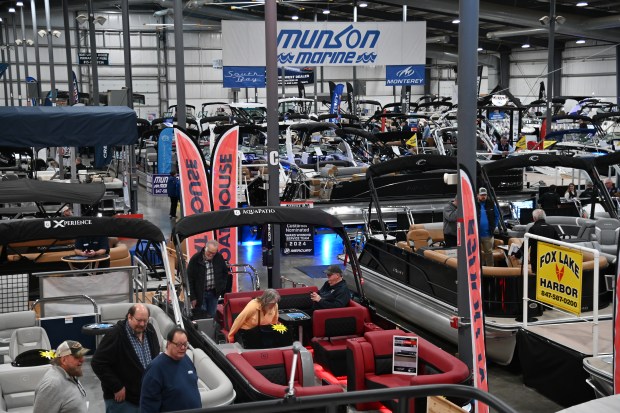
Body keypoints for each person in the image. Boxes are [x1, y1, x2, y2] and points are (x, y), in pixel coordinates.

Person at [91, 303, 160, 413]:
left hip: (145, 398)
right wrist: (116, 386)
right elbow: (97, 363)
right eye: (139, 320)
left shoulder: (150, 331)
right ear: (129, 317)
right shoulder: (115, 335)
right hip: (123, 402)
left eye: (145, 320)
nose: (142, 324)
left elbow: (155, 358)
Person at [140, 328, 201, 413]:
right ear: (168, 343)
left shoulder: (186, 359)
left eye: (185, 344)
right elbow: (148, 405)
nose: (183, 348)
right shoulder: (155, 369)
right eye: (179, 344)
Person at [33, 340, 89, 413]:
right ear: (64, 360)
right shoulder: (52, 385)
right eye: (77, 357)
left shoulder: (71, 374)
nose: (82, 359)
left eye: (82, 355)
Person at [188, 239, 232, 318]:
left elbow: (225, 272)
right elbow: (189, 279)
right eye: (210, 252)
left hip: (213, 293)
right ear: (205, 248)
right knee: (202, 317)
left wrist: (221, 287)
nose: (211, 255)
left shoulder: (219, 257)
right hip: (199, 295)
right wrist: (193, 297)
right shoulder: (195, 259)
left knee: (212, 316)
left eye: (213, 253)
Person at [476, 187, 500, 267]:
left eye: (485, 195)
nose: (483, 196)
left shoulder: (491, 204)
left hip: (488, 234)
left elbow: (497, 216)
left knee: (489, 253)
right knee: (477, 253)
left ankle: (491, 271)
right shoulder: (474, 204)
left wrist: (493, 226)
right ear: (478, 195)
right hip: (476, 235)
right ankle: (479, 269)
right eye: (482, 195)